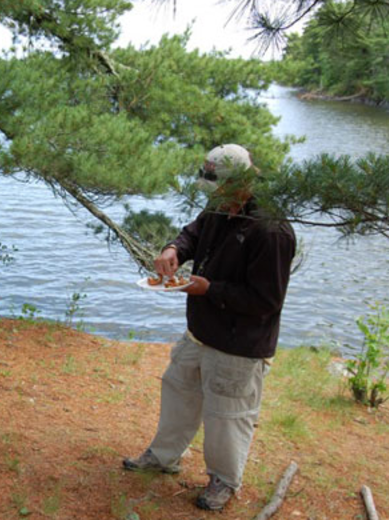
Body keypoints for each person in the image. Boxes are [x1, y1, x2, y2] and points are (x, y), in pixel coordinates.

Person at [123, 144, 296, 511]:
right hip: (201, 330)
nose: (213, 195)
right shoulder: (219, 205)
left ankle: (224, 480)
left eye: (218, 188)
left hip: (239, 344)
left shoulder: (271, 229)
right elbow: (195, 232)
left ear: (243, 181)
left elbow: (267, 301)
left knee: (228, 414)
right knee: (178, 392)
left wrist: (209, 289)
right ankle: (163, 455)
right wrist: (175, 248)